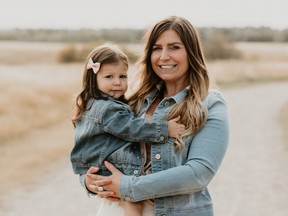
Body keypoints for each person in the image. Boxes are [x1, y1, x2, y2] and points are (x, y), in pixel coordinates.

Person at [83, 16, 229, 216]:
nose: (164, 56)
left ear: (191, 53)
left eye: (174, 47)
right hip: (116, 210)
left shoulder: (210, 104)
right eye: (157, 48)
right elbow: (93, 142)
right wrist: (89, 180)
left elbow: (199, 173)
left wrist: (128, 186)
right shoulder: (133, 100)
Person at [70, 43, 185, 216]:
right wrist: (164, 129)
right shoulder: (109, 109)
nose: (117, 82)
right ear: (93, 79)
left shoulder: (91, 104)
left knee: (129, 200)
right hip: (112, 167)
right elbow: (132, 129)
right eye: (109, 77)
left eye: (122, 76)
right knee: (132, 200)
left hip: (97, 168)